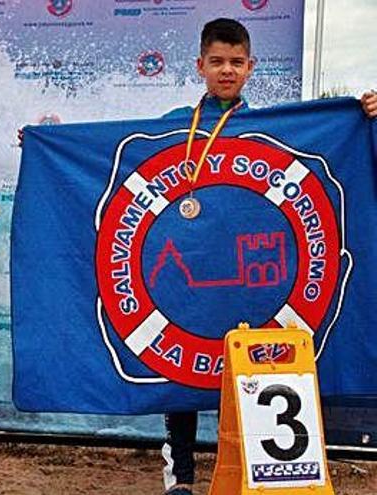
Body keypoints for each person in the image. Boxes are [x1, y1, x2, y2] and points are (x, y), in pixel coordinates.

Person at [158, 18, 376, 495]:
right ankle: (181, 479)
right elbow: (112, 153)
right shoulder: (173, 127)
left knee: (254, 370)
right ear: (200, 66)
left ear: (251, 67)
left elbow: (330, 153)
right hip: (193, 278)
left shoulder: (272, 129)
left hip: (251, 282)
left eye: (236, 62)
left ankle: (260, 468)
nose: (227, 70)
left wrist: (365, 118)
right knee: (181, 377)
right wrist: (48, 146)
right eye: (217, 61)